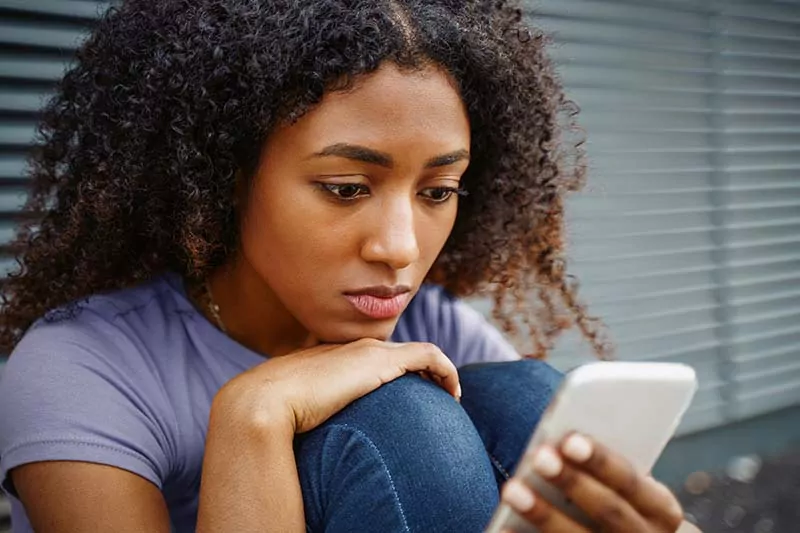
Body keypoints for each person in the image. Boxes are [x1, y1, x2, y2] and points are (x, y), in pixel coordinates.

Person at [0, 0, 688, 531]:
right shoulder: (82, 366)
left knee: (525, 396)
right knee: (403, 420)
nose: (400, 247)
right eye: (347, 188)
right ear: (227, 177)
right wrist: (254, 414)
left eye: (437, 192)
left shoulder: (435, 327)